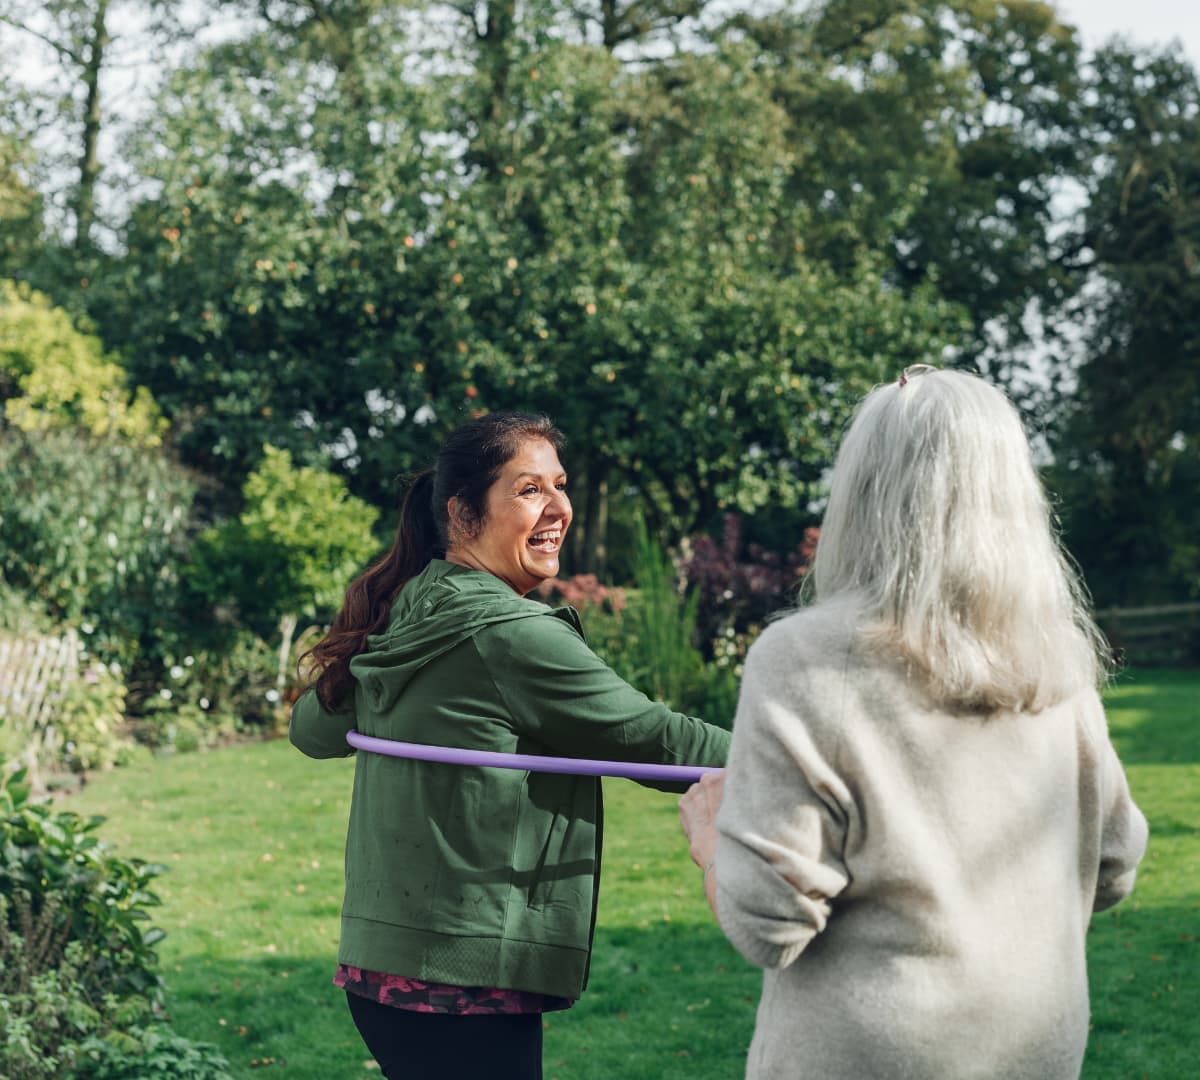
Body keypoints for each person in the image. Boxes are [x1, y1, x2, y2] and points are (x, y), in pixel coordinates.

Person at [679, 365, 1148, 1079]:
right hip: (1038, 1051)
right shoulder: (1058, 662)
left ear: (861, 495)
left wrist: (713, 839)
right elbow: (1115, 863)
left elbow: (767, 922)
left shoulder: (804, 658)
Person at [289, 410, 730, 1079]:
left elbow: (311, 732)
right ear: (463, 514)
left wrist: (363, 641)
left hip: (380, 970)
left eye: (560, 485)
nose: (558, 508)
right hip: (464, 984)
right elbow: (660, 741)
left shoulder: (410, 607)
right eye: (529, 490)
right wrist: (812, 755)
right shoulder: (510, 632)